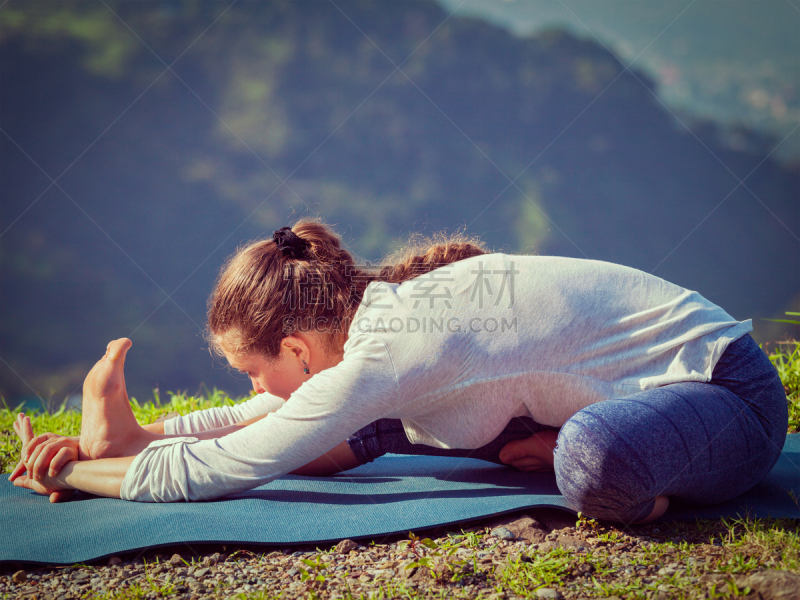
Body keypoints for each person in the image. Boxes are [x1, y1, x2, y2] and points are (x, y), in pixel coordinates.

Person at [10, 220, 788, 525]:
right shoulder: (376, 320)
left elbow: (233, 465)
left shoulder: (392, 349)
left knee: (590, 460)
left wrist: (83, 478)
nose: (252, 391)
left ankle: (634, 479)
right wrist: (138, 440)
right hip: (647, 393)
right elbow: (271, 422)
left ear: (300, 351)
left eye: (253, 371)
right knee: (390, 426)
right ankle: (571, 438)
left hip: (728, 396)